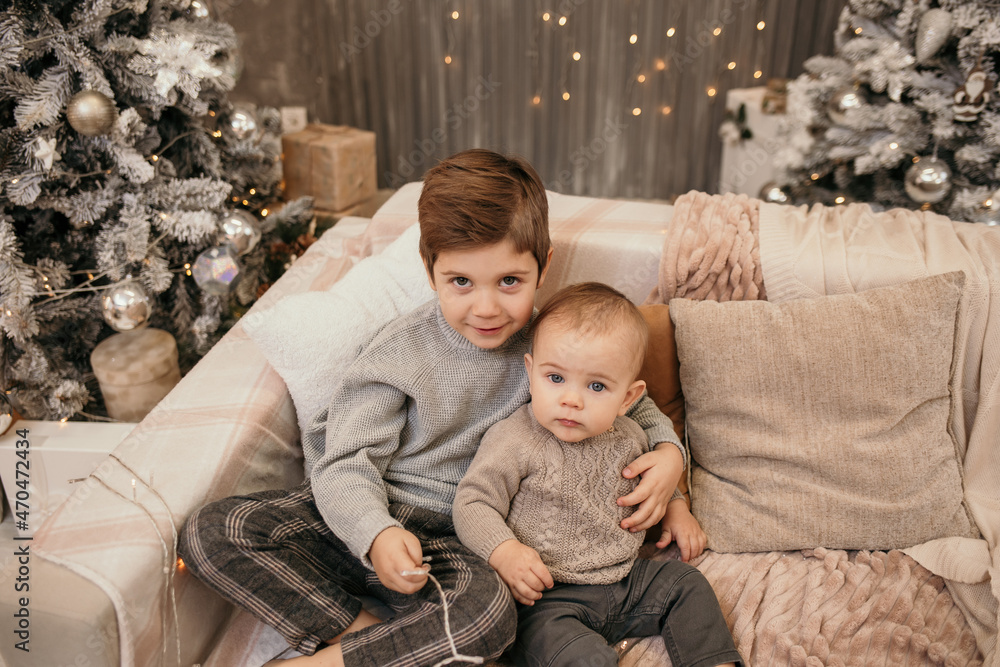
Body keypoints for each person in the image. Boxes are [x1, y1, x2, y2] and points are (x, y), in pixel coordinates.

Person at [178, 149, 686, 667]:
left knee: (490, 618)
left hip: (457, 537)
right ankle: (366, 632)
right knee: (211, 531)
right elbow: (345, 461)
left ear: (543, 266)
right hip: (365, 513)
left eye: (508, 281)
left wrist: (669, 454)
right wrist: (375, 532)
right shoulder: (399, 350)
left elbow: (624, 399)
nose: (486, 307)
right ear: (430, 270)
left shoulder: (555, 347)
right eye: (461, 282)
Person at [454, 282, 743, 667]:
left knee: (685, 583)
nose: (571, 399)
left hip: (626, 580)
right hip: (548, 600)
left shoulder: (632, 437)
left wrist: (675, 507)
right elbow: (472, 502)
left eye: (596, 386)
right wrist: (504, 551)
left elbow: (650, 484)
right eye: (555, 378)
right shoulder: (514, 439)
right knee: (580, 655)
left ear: (627, 398)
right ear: (531, 372)